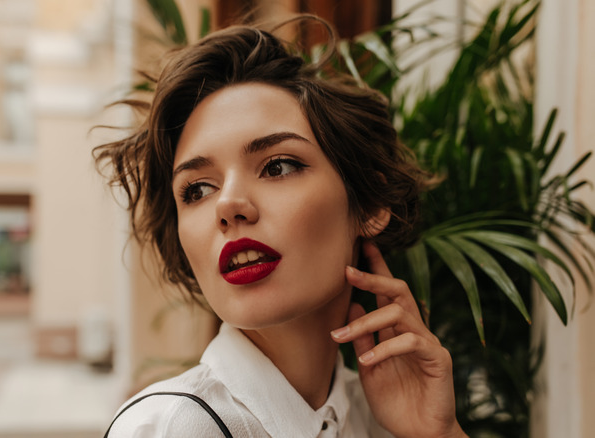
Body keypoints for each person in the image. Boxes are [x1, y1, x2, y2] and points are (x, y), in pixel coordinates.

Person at [94, 17, 467, 438]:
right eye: (197, 189)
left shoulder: (384, 414)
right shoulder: (174, 427)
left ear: (370, 203)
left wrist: (440, 433)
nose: (229, 204)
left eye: (278, 166)